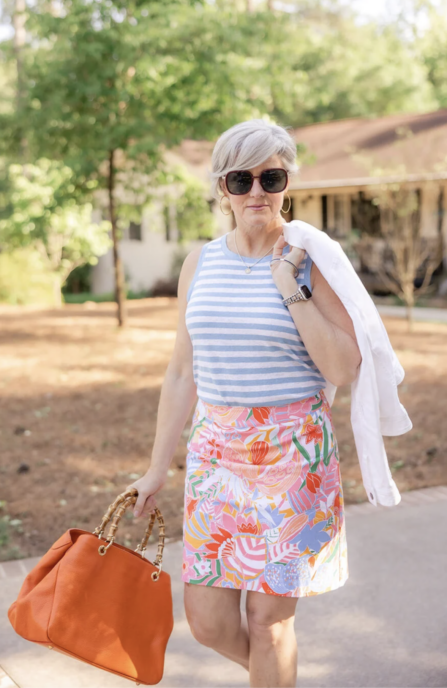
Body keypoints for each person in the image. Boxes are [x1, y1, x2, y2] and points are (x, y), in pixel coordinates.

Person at [127, 119, 362, 688]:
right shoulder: (199, 263)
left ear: (287, 184)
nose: (257, 191)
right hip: (216, 460)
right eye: (241, 178)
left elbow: (344, 368)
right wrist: (158, 466)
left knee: (268, 623)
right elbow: (183, 370)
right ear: (221, 188)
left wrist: (290, 286)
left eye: (271, 176)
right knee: (207, 623)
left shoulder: (311, 260)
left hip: (291, 462)